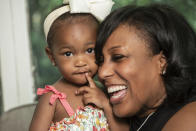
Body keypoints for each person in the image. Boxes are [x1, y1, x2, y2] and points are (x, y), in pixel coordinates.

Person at [93, 4, 196, 131]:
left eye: (118, 57)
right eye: (100, 61)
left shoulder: (190, 119)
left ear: (162, 62)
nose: (102, 73)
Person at [29, 0, 129, 131]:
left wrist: (106, 105)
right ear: (51, 56)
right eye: (68, 53)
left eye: (89, 50)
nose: (81, 62)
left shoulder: (105, 90)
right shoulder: (52, 99)